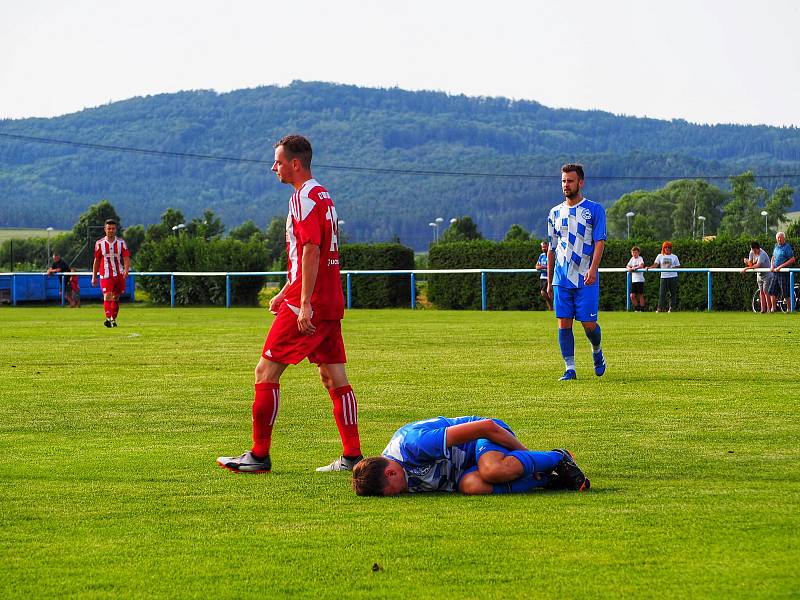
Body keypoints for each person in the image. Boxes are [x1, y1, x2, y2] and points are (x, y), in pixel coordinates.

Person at [217, 134, 363, 475]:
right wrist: (285, 291)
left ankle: (258, 455)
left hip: (308, 304)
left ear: (295, 164)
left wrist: (302, 304)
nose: (274, 168)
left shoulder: (302, 198)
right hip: (327, 299)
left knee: (265, 371)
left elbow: (311, 249)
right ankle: (353, 456)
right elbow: (311, 255)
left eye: (279, 162)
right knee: (334, 377)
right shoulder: (323, 195)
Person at [351, 416, 590, 496]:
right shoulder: (392, 472)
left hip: (486, 439)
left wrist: (527, 456)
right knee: (471, 485)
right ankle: (550, 479)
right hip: (465, 470)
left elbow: (486, 426)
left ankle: (558, 458)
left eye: (392, 492)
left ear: (390, 472)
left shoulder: (414, 445)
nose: (398, 495)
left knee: (492, 470)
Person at [546, 163, 607, 381]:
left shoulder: (594, 210)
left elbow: (600, 242)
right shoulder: (554, 213)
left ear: (580, 182)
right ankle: (569, 368)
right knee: (563, 322)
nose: (566, 185)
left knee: (589, 325)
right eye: (563, 181)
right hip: (561, 278)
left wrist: (593, 269)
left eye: (570, 181)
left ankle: (597, 350)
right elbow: (552, 248)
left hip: (585, 277)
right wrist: (549, 280)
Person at [91, 219, 130, 327]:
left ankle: (113, 318)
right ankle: (108, 318)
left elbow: (126, 257)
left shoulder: (121, 243)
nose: (111, 230)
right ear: (105, 229)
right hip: (105, 274)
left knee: (116, 297)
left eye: (113, 228)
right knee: (107, 295)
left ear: (116, 230)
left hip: (119, 274)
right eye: (109, 228)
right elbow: (97, 260)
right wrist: (94, 276)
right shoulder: (99, 244)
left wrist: (126, 270)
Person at [647, 241, 680, 312]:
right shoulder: (660, 256)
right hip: (664, 277)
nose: (667, 249)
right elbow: (655, 265)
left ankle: (672, 308)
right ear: (663, 248)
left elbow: (678, 266)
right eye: (666, 247)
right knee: (662, 293)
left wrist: (673, 267)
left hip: (673, 277)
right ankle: (660, 308)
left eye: (669, 247)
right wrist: (650, 267)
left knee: (673, 293)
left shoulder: (674, 256)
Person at [767, 231, 796, 312]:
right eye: (778, 238)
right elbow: (773, 257)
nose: (779, 239)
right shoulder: (776, 246)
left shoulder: (787, 247)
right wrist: (772, 266)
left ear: (784, 238)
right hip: (775, 273)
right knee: (772, 290)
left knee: (785, 291)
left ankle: (789, 309)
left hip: (783, 273)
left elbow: (792, 259)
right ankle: (773, 308)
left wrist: (780, 266)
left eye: (780, 238)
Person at [742, 241, 771, 313]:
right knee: (761, 291)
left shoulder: (762, 254)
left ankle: (769, 310)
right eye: (752, 250)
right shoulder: (751, 252)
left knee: (765, 291)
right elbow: (751, 264)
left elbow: (758, 265)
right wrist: (747, 262)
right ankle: (763, 310)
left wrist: (746, 268)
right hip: (759, 274)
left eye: (755, 250)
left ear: (758, 249)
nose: (753, 252)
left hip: (767, 274)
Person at [626, 246, 646, 311]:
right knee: (632, 295)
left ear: (638, 253)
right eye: (633, 252)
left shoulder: (640, 258)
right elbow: (627, 266)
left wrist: (635, 268)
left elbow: (642, 265)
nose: (634, 254)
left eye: (636, 252)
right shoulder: (632, 259)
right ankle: (637, 309)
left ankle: (642, 310)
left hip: (640, 280)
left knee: (640, 295)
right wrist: (630, 269)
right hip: (633, 280)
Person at [535, 241, 553, 310]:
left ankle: (552, 308)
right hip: (543, 277)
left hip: (550, 277)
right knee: (543, 293)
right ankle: (551, 307)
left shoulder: (552, 254)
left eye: (545, 247)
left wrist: (545, 267)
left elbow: (552, 266)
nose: (543, 248)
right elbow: (537, 266)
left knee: (550, 293)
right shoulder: (541, 255)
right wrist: (544, 267)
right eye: (542, 247)